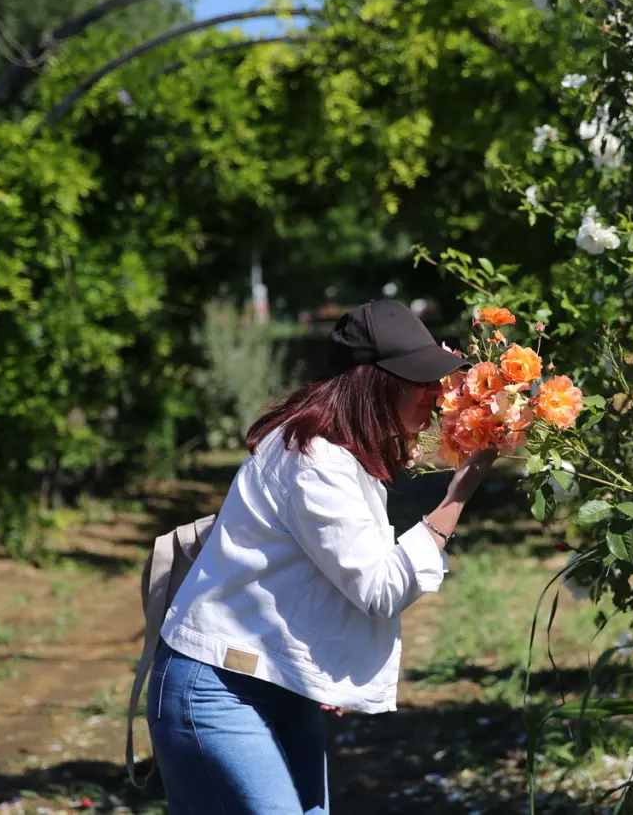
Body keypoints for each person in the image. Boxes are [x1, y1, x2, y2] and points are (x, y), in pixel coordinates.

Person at [147, 300, 498, 814]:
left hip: (273, 682)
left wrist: (321, 664)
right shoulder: (314, 459)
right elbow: (380, 590)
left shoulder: (342, 452)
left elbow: (316, 571)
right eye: (419, 380)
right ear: (374, 384)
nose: (434, 392)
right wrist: (455, 500)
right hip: (218, 691)